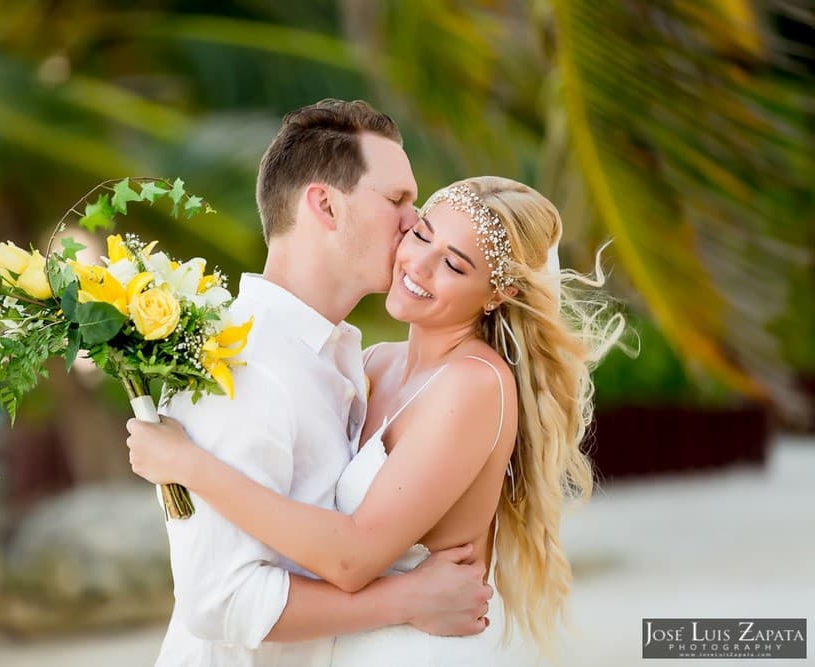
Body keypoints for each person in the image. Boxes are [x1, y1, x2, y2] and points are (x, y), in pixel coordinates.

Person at [128, 175, 626, 663]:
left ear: (499, 295)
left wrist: (189, 465)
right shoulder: (372, 363)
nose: (419, 265)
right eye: (422, 234)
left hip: (415, 649)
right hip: (353, 642)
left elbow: (354, 557)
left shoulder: (474, 384)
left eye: (453, 265)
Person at [130, 100, 493, 667]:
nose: (413, 221)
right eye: (396, 199)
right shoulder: (241, 363)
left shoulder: (346, 357)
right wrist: (406, 599)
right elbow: (221, 600)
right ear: (324, 204)